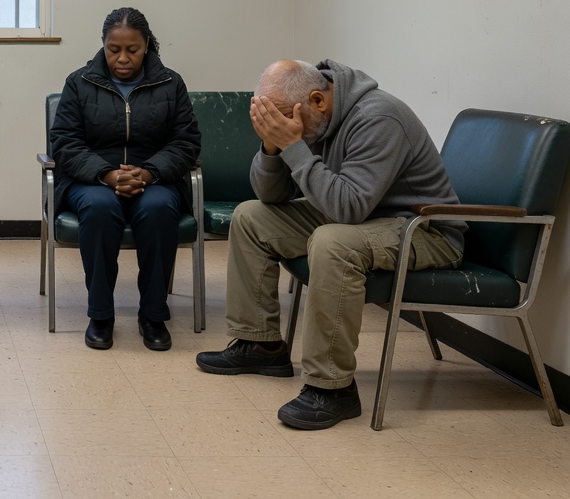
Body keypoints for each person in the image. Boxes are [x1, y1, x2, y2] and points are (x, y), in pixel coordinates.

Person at [195, 59, 465, 430]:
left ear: (318, 100)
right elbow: (270, 197)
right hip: (365, 219)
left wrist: (293, 146)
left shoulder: (379, 118)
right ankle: (260, 345)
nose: (282, 125)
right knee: (251, 216)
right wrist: (273, 148)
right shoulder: (313, 116)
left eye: (282, 118)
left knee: (332, 242)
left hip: (424, 230)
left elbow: (348, 208)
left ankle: (332, 388)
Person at [50, 7, 200, 351]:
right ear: (102, 45)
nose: (122, 58)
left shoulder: (170, 83)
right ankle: (100, 314)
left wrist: (147, 172)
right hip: (92, 180)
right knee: (100, 209)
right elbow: (65, 141)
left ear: (147, 45)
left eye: (131, 50)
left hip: (155, 178)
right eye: (113, 49)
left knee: (160, 208)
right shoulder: (79, 82)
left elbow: (186, 141)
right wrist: (107, 173)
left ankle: (153, 314)